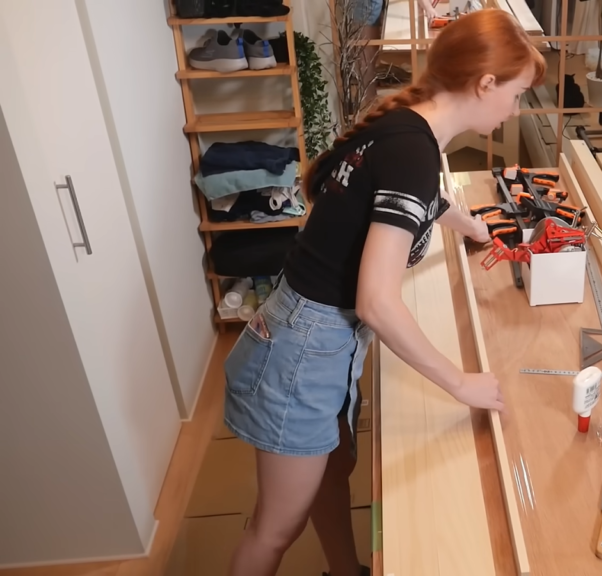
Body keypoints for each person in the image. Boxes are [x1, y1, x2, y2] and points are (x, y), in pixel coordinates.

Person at [221, 9, 546, 576]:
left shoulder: (407, 128)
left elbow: (406, 195)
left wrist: (467, 224)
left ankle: (345, 571)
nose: (516, 109)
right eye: (517, 94)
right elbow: (376, 300)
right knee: (274, 530)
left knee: (332, 472)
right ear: (485, 84)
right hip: (303, 349)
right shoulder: (415, 151)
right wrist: (458, 381)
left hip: (311, 335)